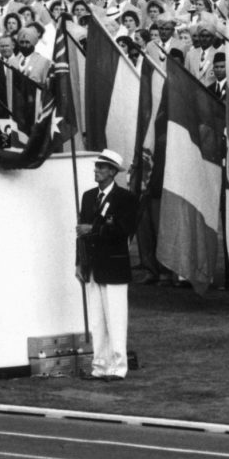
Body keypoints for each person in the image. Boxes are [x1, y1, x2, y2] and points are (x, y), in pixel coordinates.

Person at [76, 148, 139, 380]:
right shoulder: (88, 196)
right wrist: (78, 263)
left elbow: (124, 230)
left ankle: (118, 367)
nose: (97, 171)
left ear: (113, 172)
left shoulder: (126, 199)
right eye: (97, 167)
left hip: (114, 265)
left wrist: (94, 229)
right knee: (97, 321)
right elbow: (79, 233)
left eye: (102, 167)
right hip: (92, 265)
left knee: (116, 318)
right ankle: (100, 365)